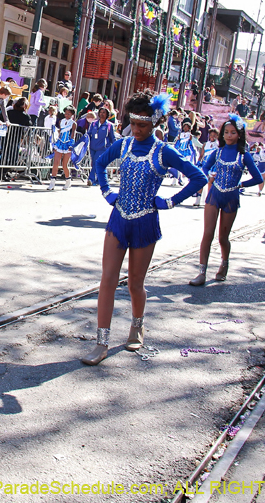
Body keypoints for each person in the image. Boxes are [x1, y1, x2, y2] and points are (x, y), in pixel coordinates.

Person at [82, 92, 206, 366]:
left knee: (135, 282)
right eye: (134, 124)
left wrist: (171, 201)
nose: (137, 130)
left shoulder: (164, 151)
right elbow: (100, 162)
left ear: (154, 124)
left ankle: (137, 327)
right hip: (118, 219)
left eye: (143, 125)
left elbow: (199, 177)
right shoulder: (124, 144)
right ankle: (101, 343)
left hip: (145, 223)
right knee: (108, 280)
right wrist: (106, 192)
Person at [189, 115, 263, 286]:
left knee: (223, 237)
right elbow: (205, 166)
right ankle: (201, 272)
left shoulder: (244, 155)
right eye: (226, 133)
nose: (229, 136)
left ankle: (224, 263)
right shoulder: (218, 151)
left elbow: (258, 178)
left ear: (239, 134)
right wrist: (209, 174)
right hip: (214, 195)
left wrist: (241, 185)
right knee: (207, 233)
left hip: (231, 198)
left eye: (233, 133)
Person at [47, 106, 77, 190]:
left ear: (72, 114)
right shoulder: (61, 121)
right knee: (56, 163)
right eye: (66, 113)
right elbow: (60, 131)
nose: (67, 115)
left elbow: (73, 134)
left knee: (64, 165)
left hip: (68, 144)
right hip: (60, 143)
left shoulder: (73, 123)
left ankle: (68, 181)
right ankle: (52, 183)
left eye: (69, 114)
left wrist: (71, 144)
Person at [86, 104, 115, 187]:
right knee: (98, 164)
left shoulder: (109, 125)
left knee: (96, 162)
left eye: (104, 112)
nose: (102, 114)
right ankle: (100, 180)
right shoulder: (94, 124)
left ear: (107, 115)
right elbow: (89, 134)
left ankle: (91, 179)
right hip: (93, 147)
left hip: (103, 148)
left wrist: (115, 148)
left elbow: (112, 137)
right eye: (101, 112)